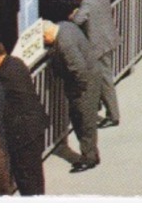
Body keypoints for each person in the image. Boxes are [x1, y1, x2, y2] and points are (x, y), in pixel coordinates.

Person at [0, 39, 49, 196]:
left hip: (23, 134)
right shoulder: (16, 63)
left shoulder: (3, 76)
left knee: (26, 179)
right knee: (36, 175)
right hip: (35, 126)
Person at [42, 19, 100, 172]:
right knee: (84, 119)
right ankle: (91, 153)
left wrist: (78, 90)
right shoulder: (64, 26)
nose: (44, 42)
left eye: (43, 38)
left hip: (83, 85)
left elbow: (79, 69)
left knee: (83, 120)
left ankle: (89, 158)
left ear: (47, 33)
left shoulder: (64, 44)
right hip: (90, 76)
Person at [68, 0, 120, 128]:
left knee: (105, 80)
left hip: (98, 47)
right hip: (108, 40)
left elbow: (77, 21)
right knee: (100, 77)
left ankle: (113, 115)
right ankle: (99, 103)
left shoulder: (87, 3)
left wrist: (74, 14)